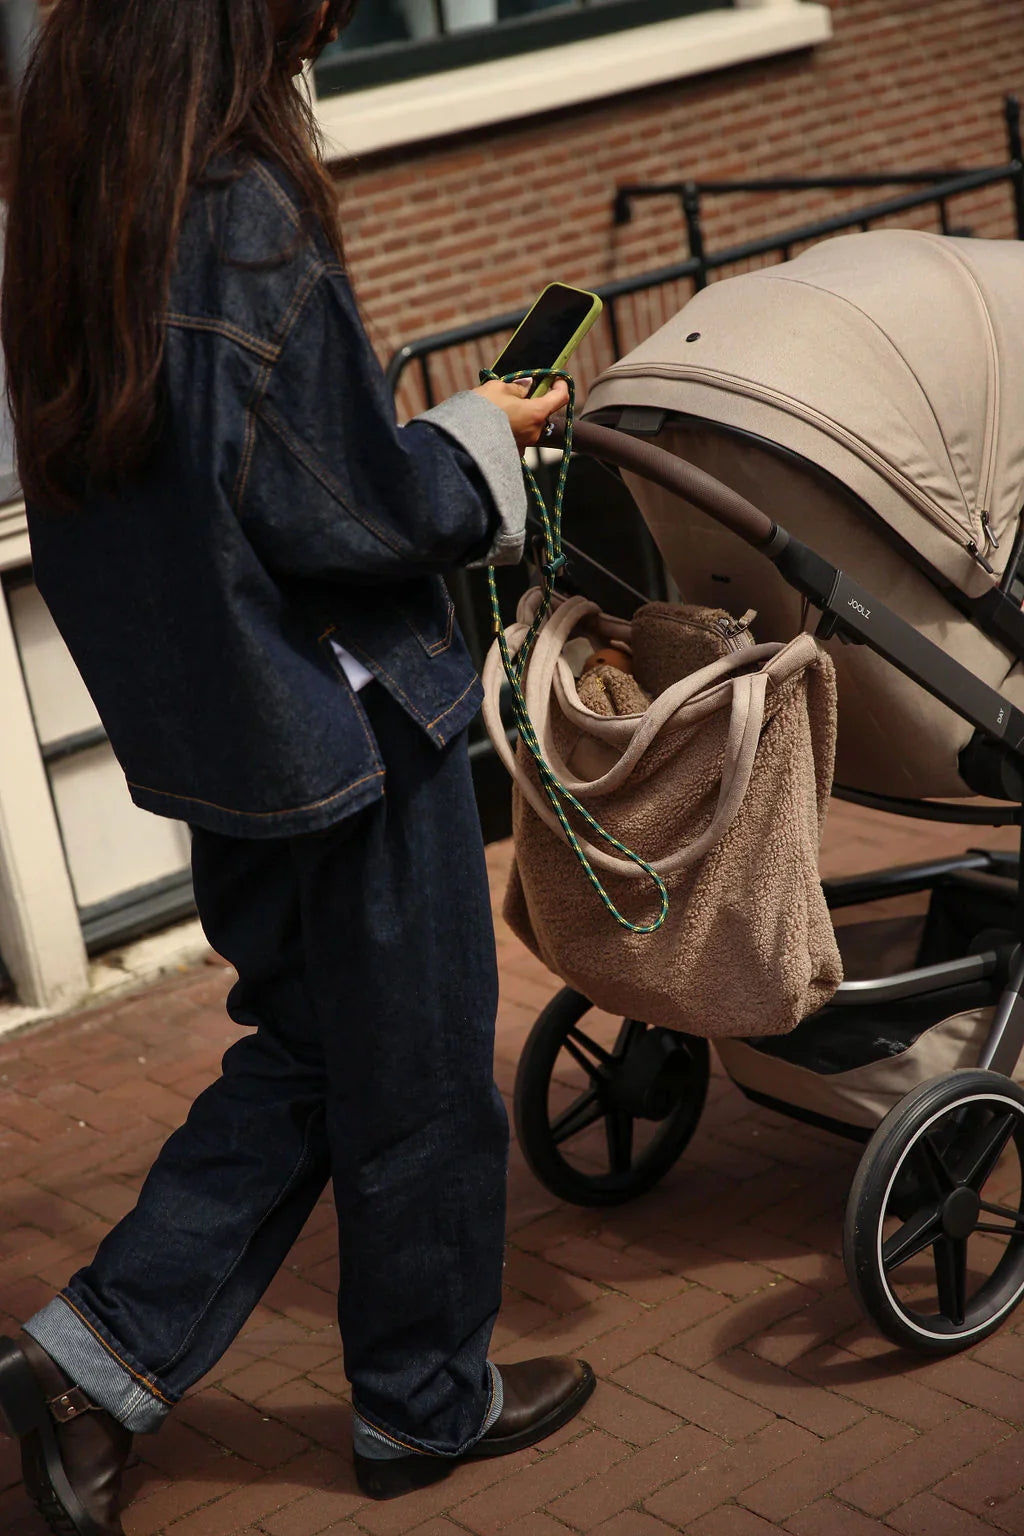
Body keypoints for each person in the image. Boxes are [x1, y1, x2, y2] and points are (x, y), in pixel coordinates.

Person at [0, 0, 595, 1529]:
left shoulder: (74, 214)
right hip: (347, 725)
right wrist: (484, 437)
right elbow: (359, 509)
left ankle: (90, 1366)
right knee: (419, 1076)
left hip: (222, 740)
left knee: (315, 1056)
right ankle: (421, 1403)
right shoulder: (240, 214)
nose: (325, 25)